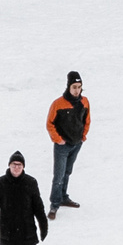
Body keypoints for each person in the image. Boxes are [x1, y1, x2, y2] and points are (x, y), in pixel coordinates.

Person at [44, 72, 92, 218]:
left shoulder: (85, 102)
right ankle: (54, 204)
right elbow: (49, 124)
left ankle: (63, 197)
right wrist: (58, 139)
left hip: (76, 144)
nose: (77, 90)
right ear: (68, 87)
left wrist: (83, 136)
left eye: (79, 87)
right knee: (58, 175)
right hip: (62, 146)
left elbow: (87, 120)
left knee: (67, 172)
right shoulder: (58, 104)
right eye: (74, 87)